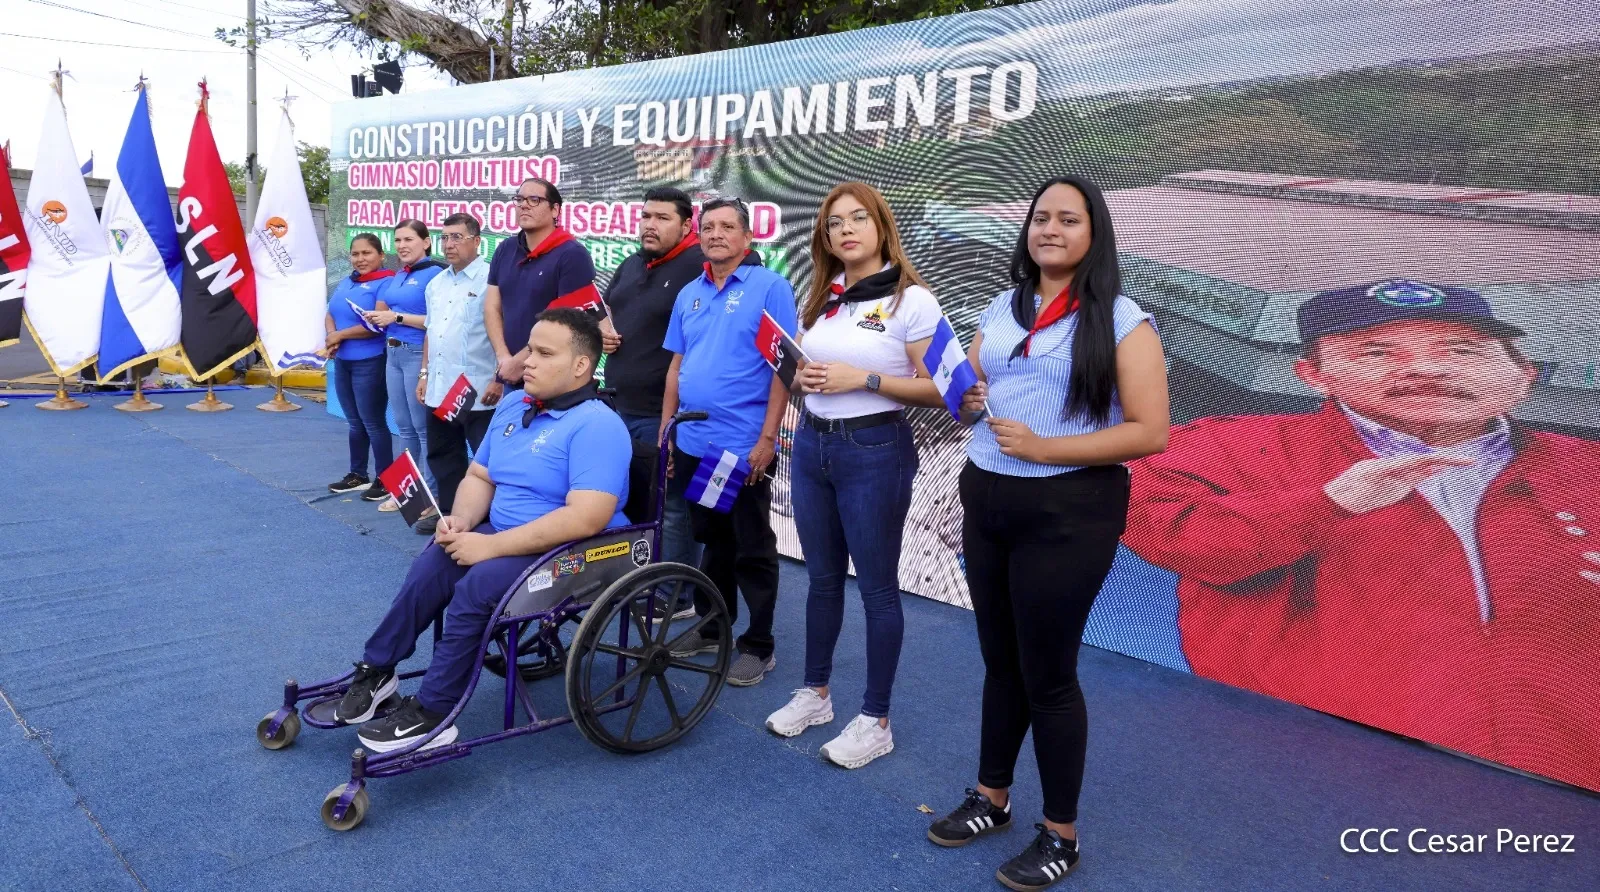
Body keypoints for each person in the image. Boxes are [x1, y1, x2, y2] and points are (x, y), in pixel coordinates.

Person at [1122, 278, 1600, 793]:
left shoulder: (1586, 466)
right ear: (1311, 373)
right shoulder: (1227, 445)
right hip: (1314, 765)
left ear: (1524, 376)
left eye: (1463, 350)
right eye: (1376, 350)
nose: (1426, 368)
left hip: (1567, 768)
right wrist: (1329, 504)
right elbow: (1172, 539)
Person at [927, 176, 1168, 891]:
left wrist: (1043, 449)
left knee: (1049, 676)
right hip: (988, 494)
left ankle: (1061, 834)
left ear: (1094, 235)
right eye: (1040, 218)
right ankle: (990, 798)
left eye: (1068, 219)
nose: (1050, 229)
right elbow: (970, 392)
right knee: (1000, 663)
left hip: (1070, 509)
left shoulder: (1125, 321)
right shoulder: (1003, 307)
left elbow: (1150, 431)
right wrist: (965, 396)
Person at [337, 308, 633, 752]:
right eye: (529, 348)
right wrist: (462, 520)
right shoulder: (515, 404)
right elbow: (480, 477)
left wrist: (490, 546)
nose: (526, 360)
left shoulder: (599, 425)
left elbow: (585, 518)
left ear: (580, 367)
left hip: (576, 551)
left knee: (476, 587)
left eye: (543, 353)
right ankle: (378, 670)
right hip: (506, 534)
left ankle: (436, 713)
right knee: (432, 565)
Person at [762, 182, 946, 770]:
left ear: (881, 226)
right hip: (813, 445)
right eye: (834, 222)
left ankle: (876, 719)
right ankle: (816, 694)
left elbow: (947, 390)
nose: (844, 230)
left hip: (874, 449)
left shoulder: (912, 300)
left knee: (876, 589)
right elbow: (814, 374)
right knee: (819, 580)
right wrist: (803, 377)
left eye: (857, 219)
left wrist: (860, 380)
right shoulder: (827, 295)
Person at [661, 197, 797, 687]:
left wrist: (768, 440)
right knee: (713, 543)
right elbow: (677, 366)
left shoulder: (770, 287)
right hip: (696, 442)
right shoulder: (690, 293)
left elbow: (784, 368)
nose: (716, 234)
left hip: (743, 449)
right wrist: (668, 431)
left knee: (751, 548)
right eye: (709, 227)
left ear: (747, 238)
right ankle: (713, 627)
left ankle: (759, 645)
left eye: (727, 227)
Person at [602, 186, 706, 593]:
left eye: (662, 218)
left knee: (674, 506)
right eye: (646, 216)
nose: (650, 225)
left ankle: (674, 592)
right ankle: (637, 576)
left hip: (664, 412)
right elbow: (608, 308)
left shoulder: (699, 265)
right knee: (630, 497)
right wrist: (602, 329)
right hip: (616, 406)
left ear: (686, 225)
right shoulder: (631, 263)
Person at [416, 213, 502, 536]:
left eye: (457, 237)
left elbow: (503, 331)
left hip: (480, 392)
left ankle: (489, 521)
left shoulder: (493, 280)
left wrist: (499, 378)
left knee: (486, 462)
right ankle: (452, 516)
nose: (449, 244)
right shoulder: (436, 283)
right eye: (445, 237)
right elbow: (430, 332)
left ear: (477, 241)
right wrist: (424, 374)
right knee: (444, 457)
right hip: (440, 390)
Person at [484, 177, 601, 392]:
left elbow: (568, 325)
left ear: (555, 210)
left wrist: (519, 363)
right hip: (510, 372)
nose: (524, 205)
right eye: (519, 199)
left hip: (551, 380)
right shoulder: (505, 248)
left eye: (535, 199)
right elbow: (492, 306)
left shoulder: (572, 254)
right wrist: (503, 358)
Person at [368, 220, 445, 512]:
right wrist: (376, 316)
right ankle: (407, 494)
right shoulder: (400, 275)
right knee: (403, 426)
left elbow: (437, 321)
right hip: (393, 353)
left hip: (417, 354)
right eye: (398, 240)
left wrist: (396, 318)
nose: (402, 245)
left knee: (422, 428)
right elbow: (387, 311)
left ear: (426, 242)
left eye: (409, 239)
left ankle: (430, 495)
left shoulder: (436, 274)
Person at [324, 233, 397, 504]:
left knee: (374, 423)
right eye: (355, 254)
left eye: (367, 253)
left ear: (380, 255)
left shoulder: (386, 283)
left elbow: (376, 326)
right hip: (343, 361)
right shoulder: (347, 281)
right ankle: (358, 474)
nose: (360, 259)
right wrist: (332, 336)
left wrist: (339, 337)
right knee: (354, 422)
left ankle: (386, 479)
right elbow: (331, 313)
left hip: (371, 361)